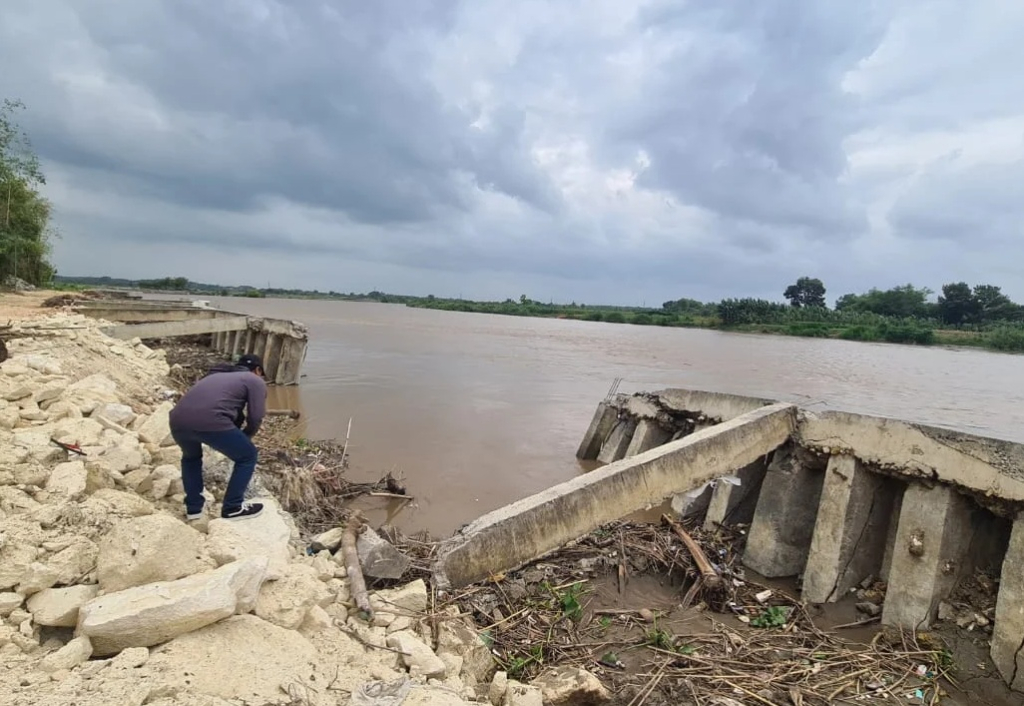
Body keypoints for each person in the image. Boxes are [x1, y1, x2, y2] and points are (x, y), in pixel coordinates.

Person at [169, 352, 268, 520]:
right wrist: (247, 436)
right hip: (210, 420)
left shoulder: (215, 376)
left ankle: (193, 509)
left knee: (191, 459)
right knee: (248, 456)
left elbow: (220, 404)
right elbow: (256, 416)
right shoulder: (254, 380)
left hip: (177, 420)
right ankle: (233, 507)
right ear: (258, 370)